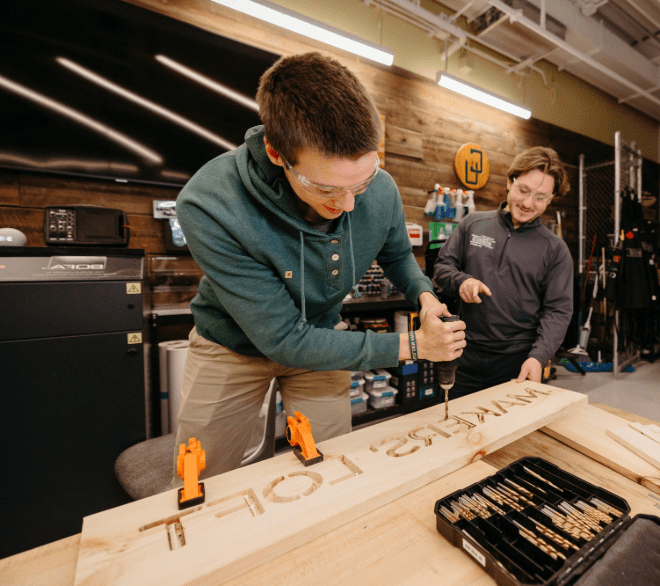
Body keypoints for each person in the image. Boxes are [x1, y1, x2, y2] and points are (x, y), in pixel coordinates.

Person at [172, 52, 464, 482]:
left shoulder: (380, 189)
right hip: (230, 348)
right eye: (326, 187)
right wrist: (415, 347)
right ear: (276, 152)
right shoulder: (210, 204)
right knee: (202, 481)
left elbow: (397, 254)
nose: (348, 205)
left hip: (325, 342)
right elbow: (286, 340)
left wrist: (423, 295)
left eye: (360, 183)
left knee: (330, 470)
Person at [432, 147, 573, 398]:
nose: (528, 203)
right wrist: (462, 281)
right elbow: (442, 269)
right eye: (524, 190)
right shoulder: (472, 224)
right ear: (510, 181)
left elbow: (558, 311)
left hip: (518, 362)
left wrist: (538, 358)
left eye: (540, 197)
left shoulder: (555, 250)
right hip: (463, 353)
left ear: (550, 199)